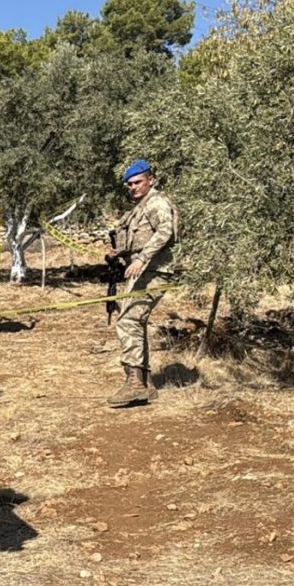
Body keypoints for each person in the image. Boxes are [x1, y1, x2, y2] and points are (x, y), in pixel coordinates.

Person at [106, 159, 178, 408]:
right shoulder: (141, 206)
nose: (133, 187)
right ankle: (146, 385)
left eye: (137, 182)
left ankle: (135, 384)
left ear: (151, 180)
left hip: (154, 270)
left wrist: (142, 258)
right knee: (135, 320)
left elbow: (165, 232)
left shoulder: (156, 202)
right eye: (129, 184)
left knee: (129, 321)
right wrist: (121, 252)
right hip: (143, 270)